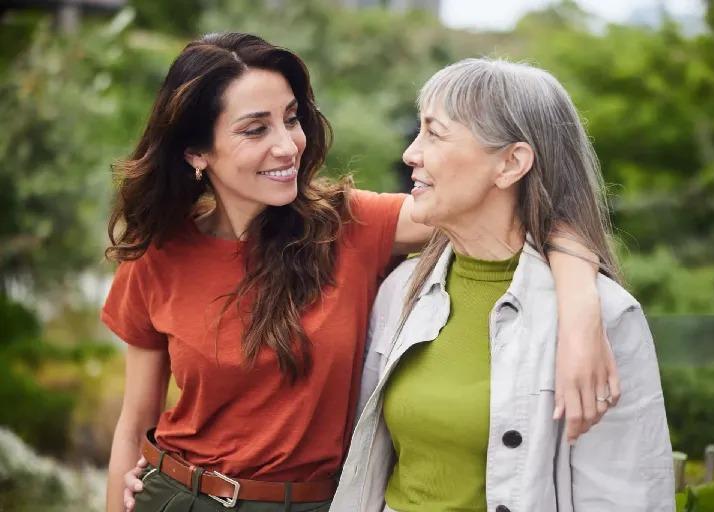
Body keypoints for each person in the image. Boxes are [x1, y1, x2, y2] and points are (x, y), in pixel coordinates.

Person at [106, 34, 618, 512]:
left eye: (291, 118)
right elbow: (134, 424)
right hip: (176, 495)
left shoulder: (349, 225)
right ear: (197, 152)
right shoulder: (158, 254)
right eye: (254, 129)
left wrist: (581, 314)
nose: (288, 145)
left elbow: (525, 209)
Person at [329, 58, 674, 512]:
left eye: (434, 133)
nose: (411, 153)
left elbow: (627, 497)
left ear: (511, 163)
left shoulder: (605, 316)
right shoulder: (400, 292)